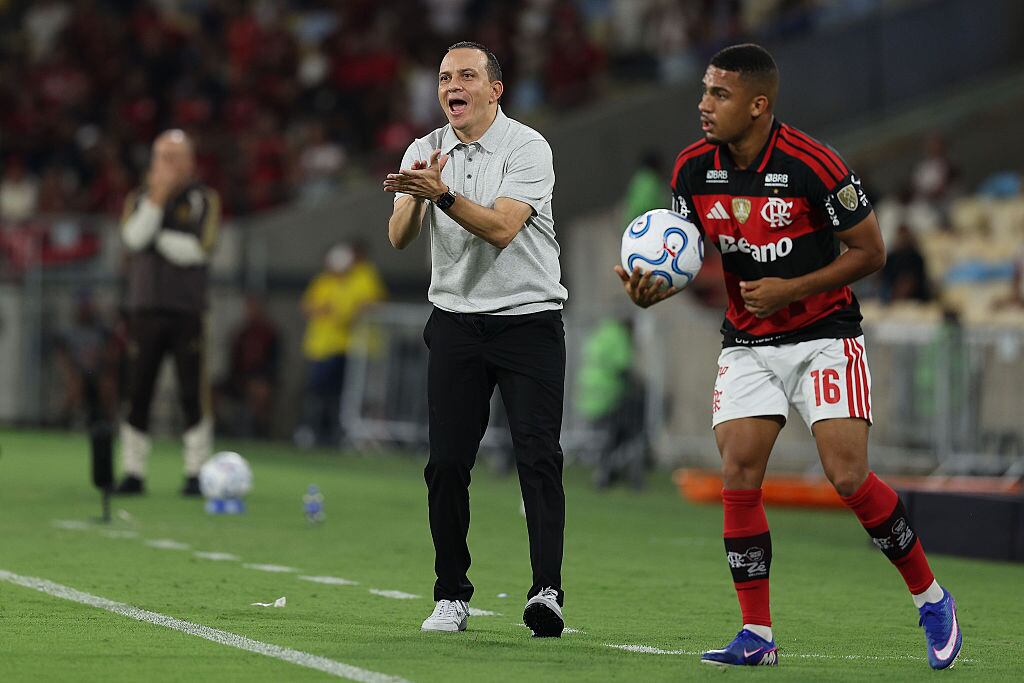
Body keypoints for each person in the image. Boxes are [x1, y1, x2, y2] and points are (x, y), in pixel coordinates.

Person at [615, 44, 962, 669]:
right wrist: (651, 293)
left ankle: (931, 597)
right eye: (703, 91)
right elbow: (680, 252)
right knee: (739, 474)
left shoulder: (813, 163)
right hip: (748, 343)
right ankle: (757, 635)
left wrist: (791, 289)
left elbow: (872, 251)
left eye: (718, 95)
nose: (703, 104)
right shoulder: (694, 169)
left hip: (825, 334)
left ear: (758, 105)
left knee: (848, 476)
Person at [383, 41, 568, 637]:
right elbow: (397, 238)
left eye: (465, 76)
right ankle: (451, 594)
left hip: (528, 319)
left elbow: (504, 229)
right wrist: (416, 194)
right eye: (443, 77)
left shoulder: (528, 147)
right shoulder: (424, 150)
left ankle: (547, 591)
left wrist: (441, 195)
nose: (451, 86)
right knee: (445, 465)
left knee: (538, 456)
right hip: (456, 321)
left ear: (495, 90)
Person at [114, 129, 220, 496]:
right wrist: (156, 203)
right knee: (137, 389)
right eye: (162, 156)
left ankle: (196, 471)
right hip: (143, 310)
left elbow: (197, 249)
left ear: (190, 162)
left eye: (175, 157)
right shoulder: (139, 198)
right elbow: (131, 239)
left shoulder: (204, 198)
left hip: (186, 311)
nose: (167, 164)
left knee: (192, 392)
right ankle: (133, 471)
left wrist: (155, 230)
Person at [295, 241, 386, 447]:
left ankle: (337, 434)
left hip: (345, 348)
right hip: (320, 348)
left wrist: (338, 314)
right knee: (318, 393)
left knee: (341, 395)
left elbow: (360, 308)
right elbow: (309, 307)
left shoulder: (358, 279)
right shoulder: (324, 282)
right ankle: (313, 431)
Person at [215, 294, 281, 438]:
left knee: (260, 391)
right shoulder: (241, 333)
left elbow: (273, 363)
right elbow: (233, 361)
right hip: (239, 377)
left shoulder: (269, 333)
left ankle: (260, 432)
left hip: (260, 378)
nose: (251, 311)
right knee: (213, 391)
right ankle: (220, 429)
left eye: (254, 307)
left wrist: (261, 378)